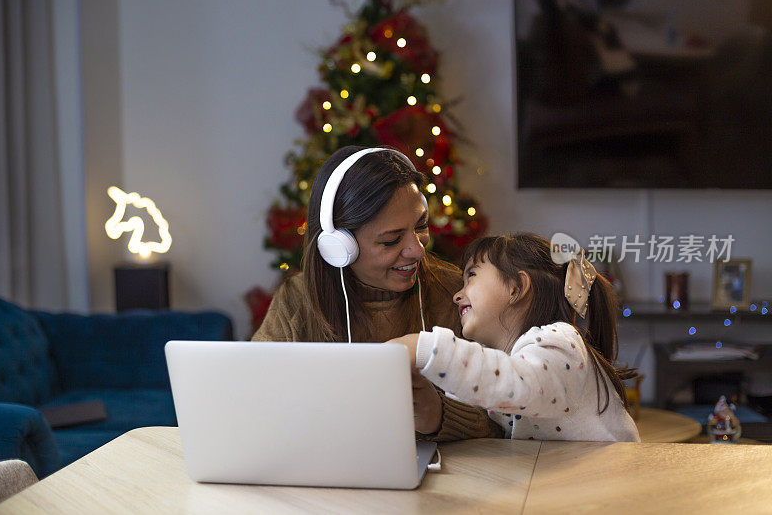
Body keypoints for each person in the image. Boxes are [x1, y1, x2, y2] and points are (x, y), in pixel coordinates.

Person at [253, 146, 503, 441]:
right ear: (339, 247)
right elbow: (254, 405)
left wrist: (440, 415)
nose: (417, 249)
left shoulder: (459, 296)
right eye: (391, 240)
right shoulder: (295, 302)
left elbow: (510, 422)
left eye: (421, 225)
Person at [389, 233, 640, 441]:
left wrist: (425, 347)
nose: (457, 295)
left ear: (516, 288)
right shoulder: (506, 366)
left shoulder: (561, 341)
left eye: (471, 277)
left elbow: (515, 385)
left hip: (607, 488)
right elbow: (488, 388)